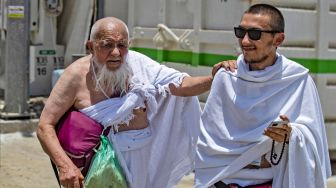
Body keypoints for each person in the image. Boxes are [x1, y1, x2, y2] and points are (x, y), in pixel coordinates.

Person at [37, 17, 228, 188]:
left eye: (122, 45)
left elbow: (180, 85)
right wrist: (65, 166)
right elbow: (45, 126)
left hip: (140, 165)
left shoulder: (137, 63)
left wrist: (216, 78)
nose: (116, 53)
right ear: (91, 46)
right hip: (99, 170)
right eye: (107, 45)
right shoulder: (75, 76)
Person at [195, 4, 331, 188]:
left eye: (255, 34)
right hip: (219, 182)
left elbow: (314, 140)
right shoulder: (226, 77)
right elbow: (207, 141)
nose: (244, 41)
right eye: (240, 32)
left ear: (278, 39)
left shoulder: (297, 79)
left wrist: (291, 135)